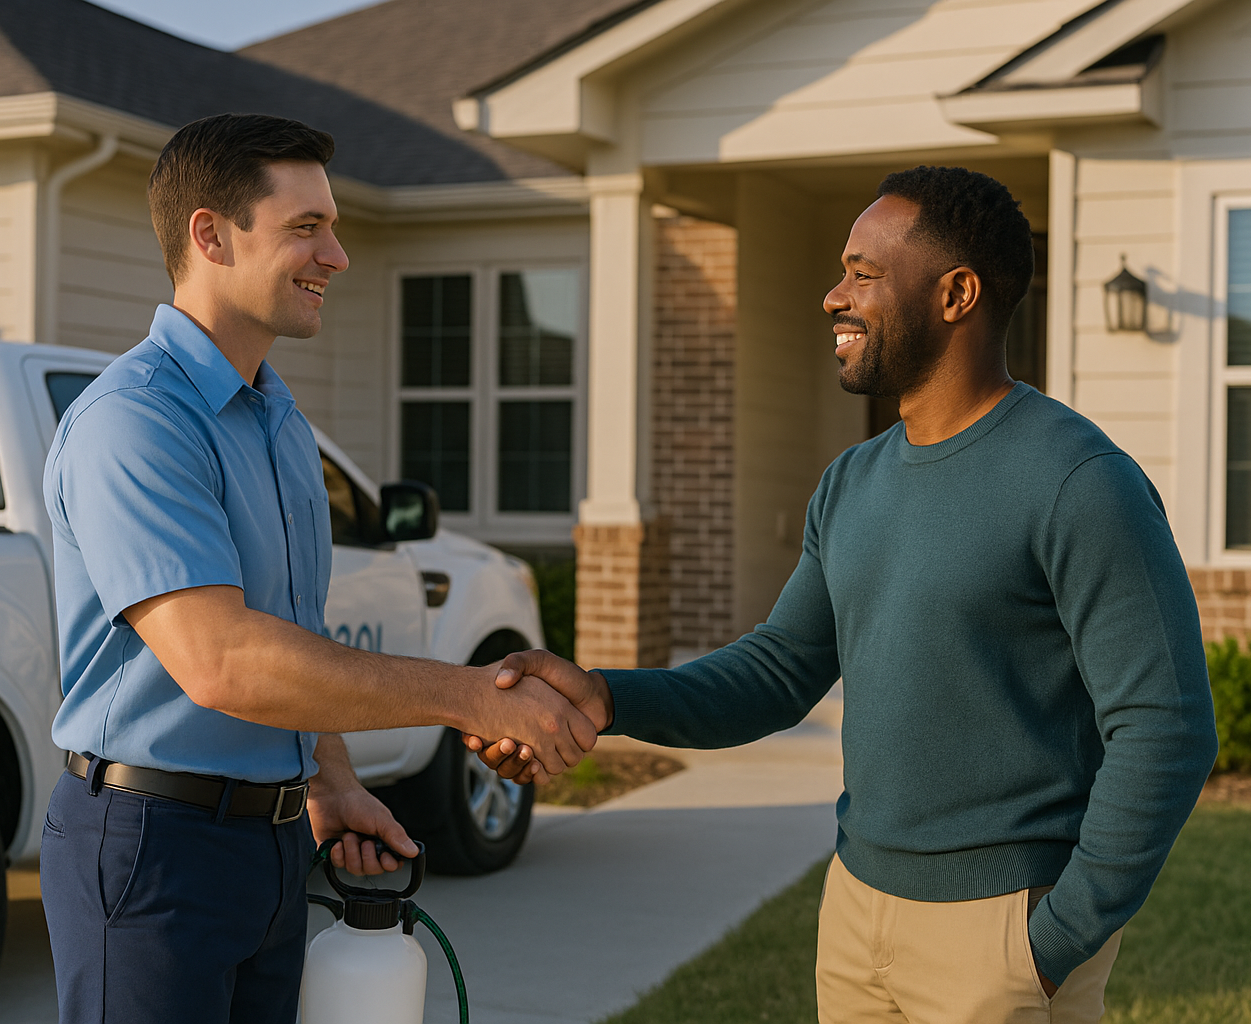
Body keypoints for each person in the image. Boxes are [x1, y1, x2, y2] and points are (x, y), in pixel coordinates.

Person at [468, 166, 1219, 1023]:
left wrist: (1050, 945)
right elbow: (779, 669)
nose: (834, 296)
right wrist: (603, 695)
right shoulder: (851, 482)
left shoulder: (1077, 481)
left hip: (1002, 930)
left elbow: (1166, 727)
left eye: (864, 273)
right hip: (857, 912)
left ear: (956, 293)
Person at [40, 113, 598, 1024]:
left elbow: (290, 634)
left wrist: (331, 780)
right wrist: (466, 695)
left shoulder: (278, 420)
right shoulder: (133, 423)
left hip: (273, 845)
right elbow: (222, 660)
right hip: (147, 845)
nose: (336, 255)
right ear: (210, 235)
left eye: (332, 227)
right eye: (306, 227)